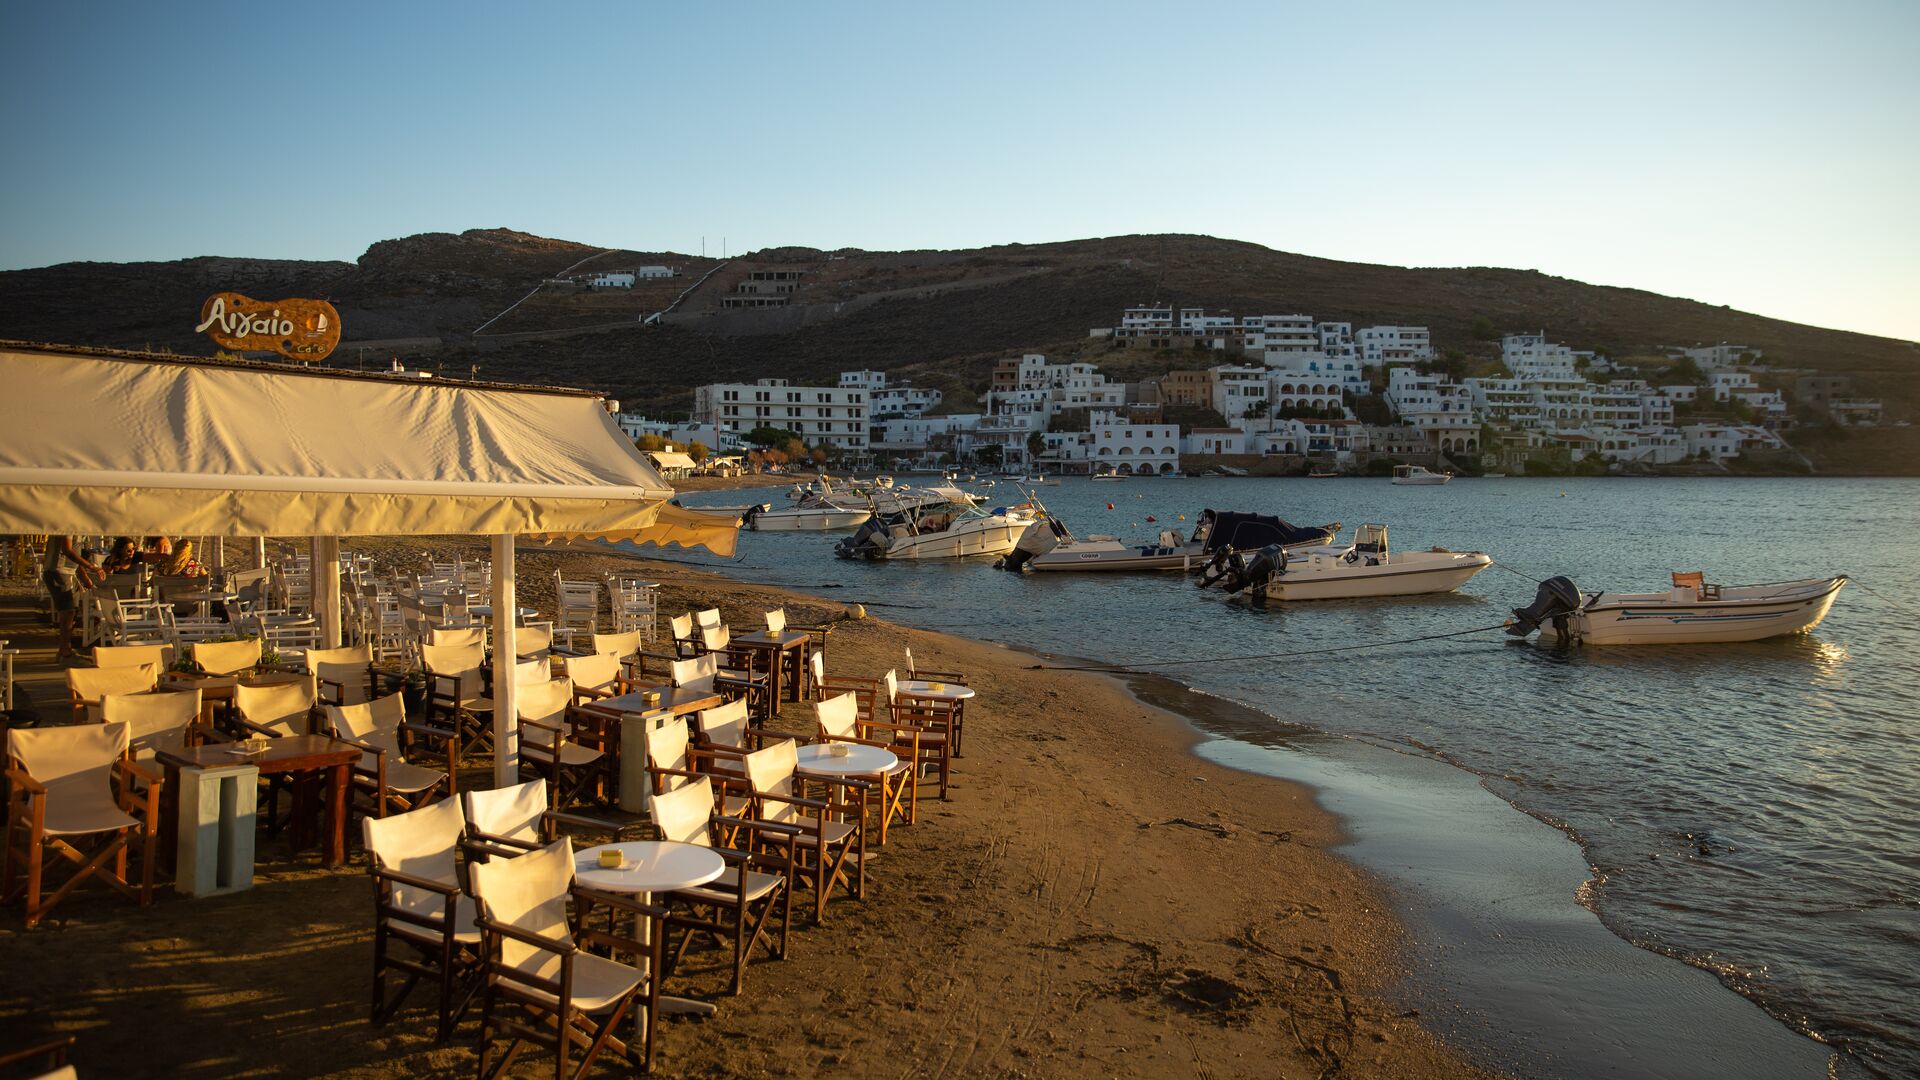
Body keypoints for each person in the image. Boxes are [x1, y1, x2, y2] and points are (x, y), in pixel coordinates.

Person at [43, 535, 104, 660]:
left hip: (69, 572)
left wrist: (84, 577)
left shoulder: (78, 529)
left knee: (72, 612)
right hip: (59, 571)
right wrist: (91, 567)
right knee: (68, 611)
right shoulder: (68, 525)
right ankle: (65, 651)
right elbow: (67, 550)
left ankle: (65, 649)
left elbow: (75, 555)